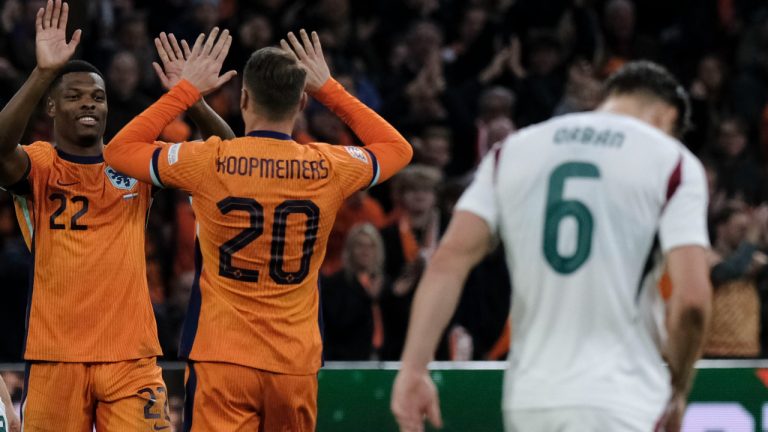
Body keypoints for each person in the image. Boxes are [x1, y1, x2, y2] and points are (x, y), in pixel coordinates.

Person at [104, 29, 412, 430]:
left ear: (243, 99)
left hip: (222, 356)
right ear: (301, 102)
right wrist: (329, 89)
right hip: (293, 361)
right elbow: (397, 148)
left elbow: (119, 150)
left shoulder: (208, 160)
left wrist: (185, 92)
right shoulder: (331, 166)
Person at [391, 60, 712, 432]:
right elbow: (691, 302)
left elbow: (448, 262)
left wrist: (414, 368)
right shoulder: (672, 162)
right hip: (623, 398)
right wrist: (678, 388)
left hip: (531, 399)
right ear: (668, 117)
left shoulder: (511, 151)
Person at [0, 2, 232, 430]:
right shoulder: (42, 164)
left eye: (98, 97)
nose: (89, 104)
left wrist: (195, 101)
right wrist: (42, 74)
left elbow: (229, 158)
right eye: (73, 96)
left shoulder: (135, 163)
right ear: (51, 109)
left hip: (132, 357)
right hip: (56, 357)